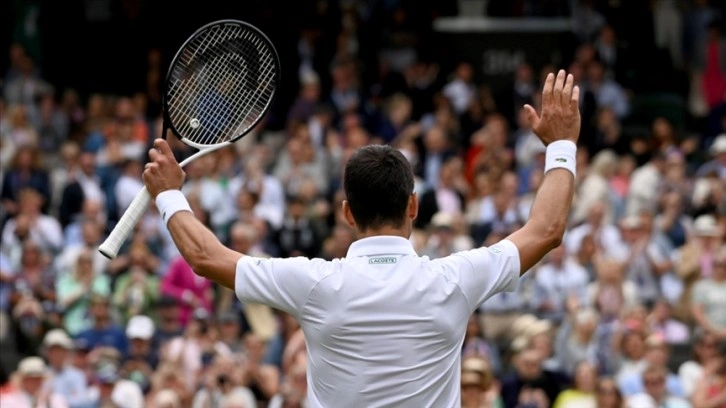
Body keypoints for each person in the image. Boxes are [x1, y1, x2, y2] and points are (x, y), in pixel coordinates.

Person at [140, 70, 581, 407]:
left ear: (347, 213)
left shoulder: (314, 283)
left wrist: (169, 195)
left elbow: (203, 255)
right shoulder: (455, 280)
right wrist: (561, 145)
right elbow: (546, 230)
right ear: (413, 206)